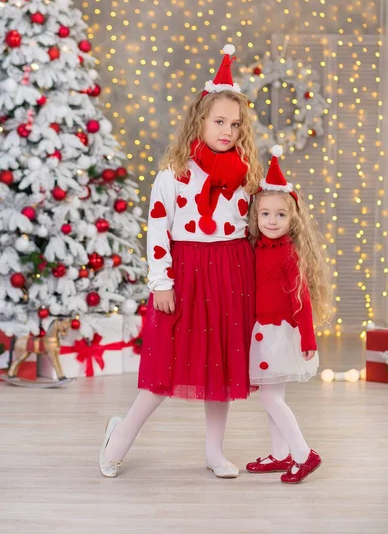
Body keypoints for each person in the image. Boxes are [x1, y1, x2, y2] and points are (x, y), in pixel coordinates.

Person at [99, 44, 263, 479]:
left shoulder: (245, 175)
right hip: (185, 272)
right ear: (200, 121)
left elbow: (253, 226)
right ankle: (120, 437)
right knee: (164, 367)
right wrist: (161, 282)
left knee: (222, 367)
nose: (227, 131)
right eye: (219, 122)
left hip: (231, 271)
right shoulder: (174, 173)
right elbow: (157, 230)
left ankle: (214, 451)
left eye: (235, 124)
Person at [246, 145, 331, 484]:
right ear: (256, 215)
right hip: (261, 334)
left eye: (280, 215)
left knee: (270, 396)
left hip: (282, 335)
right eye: (265, 214)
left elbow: (302, 299)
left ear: (292, 217)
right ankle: (281, 454)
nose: (271, 221)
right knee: (272, 396)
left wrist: (307, 337)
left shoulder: (289, 254)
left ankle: (303, 453)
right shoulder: (254, 249)